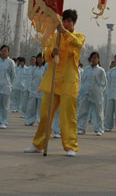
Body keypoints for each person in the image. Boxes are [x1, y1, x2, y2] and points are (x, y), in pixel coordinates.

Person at [25, 9, 85, 156]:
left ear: (74, 23)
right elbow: (47, 55)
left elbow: (77, 44)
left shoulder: (79, 36)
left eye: (69, 21)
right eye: (64, 21)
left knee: (68, 116)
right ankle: (38, 144)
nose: (66, 23)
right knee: (45, 114)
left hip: (69, 82)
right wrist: (52, 53)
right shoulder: (55, 37)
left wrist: (65, 33)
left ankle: (70, 146)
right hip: (53, 80)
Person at [77, 51, 107, 135]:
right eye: (92, 58)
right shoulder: (86, 69)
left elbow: (104, 83)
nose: (93, 59)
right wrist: (82, 91)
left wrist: (100, 91)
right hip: (85, 93)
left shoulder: (101, 70)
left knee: (98, 112)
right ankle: (81, 128)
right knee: (83, 111)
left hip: (96, 94)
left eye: (95, 58)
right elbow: (83, 80)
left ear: (98, 59)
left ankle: (99, 129)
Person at [25, 54, 46, 127]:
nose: (40, 60)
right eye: (39, 58)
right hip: (33, 89)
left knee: (40, 107)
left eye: (41, 58)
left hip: (42, 90)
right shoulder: (34, 68)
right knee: (31, 106)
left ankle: (40, 121)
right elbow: (30, 78)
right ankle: (29, 120)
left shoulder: (45, 69)